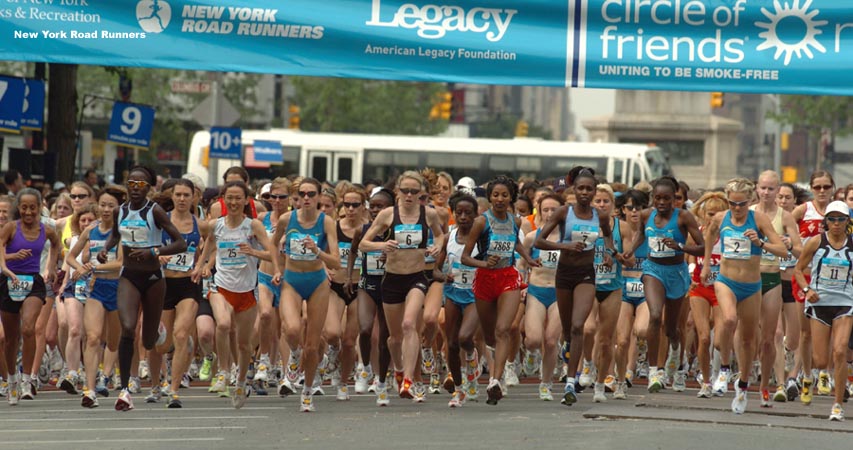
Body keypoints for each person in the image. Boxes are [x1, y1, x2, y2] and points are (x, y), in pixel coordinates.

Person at [98, 165, 187, 412]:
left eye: (140, 185)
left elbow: (179, 243)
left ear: (148, 188)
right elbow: (115, 236)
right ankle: (125, 389)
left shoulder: (155, 211)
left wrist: (154, 251)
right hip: (129, 276)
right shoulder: (120, 210)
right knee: (127, 328)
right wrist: (106, 249)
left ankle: (156, 328)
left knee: (148, 342)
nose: (135, 189)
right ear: (126, 186)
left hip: (153, 278)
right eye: (131, 184)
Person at [701, 178, 788, 414]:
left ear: (750, 201)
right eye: (732, 204)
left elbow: (782, 249)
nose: (737, 209)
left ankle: (743, 385)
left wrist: (760, 242)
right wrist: (707, 264)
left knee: (750, 340)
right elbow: (709, 235)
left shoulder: (757, 219)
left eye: (741, 204)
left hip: (751, 286)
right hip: (726, 281)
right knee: (729, 319)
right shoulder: (721, 218)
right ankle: (725, 369)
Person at [194, 180, 280, 409]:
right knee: (222, 325)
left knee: (244, 346)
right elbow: (208, 247)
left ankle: (241, 381)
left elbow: (272, 255)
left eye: (237, 198)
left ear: (246, 200)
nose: (233, 202)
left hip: (246, 291)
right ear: (223, 200)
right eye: (229, 198)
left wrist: (254, 252)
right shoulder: (216, 225)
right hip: (221, 286)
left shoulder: (253, 226)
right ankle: (223, 371)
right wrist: (200, 266)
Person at [359, 172, 444, 403]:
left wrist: (436, 247)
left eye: (414, 192)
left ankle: (409, 380)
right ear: (397, 192)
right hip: (392, 280)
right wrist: (382, 245)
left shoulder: (429, 214)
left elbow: (440, 236)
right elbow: (364, 243)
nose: (409, 195)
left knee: (409, 324)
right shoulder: (388, 215)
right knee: (394, 338)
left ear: (421, 194)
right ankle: (398, 368)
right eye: (405, 191)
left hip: (416, 277)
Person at [534, 167, 614, 405]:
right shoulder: (563, 212)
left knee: (579, 326)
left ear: (594, 191)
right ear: (574, 190)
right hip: (564, 274)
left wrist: (609, 252)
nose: (585, 193)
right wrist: (565, 246)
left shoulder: (599, 216)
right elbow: (539, 240)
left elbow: (608, 235)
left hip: (586, 275)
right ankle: (566, 348)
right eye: (581, 188)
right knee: (569, 331)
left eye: (590, 189)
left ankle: (570, 382)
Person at [623, 176, 704, 394]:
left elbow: (702, 248)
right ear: (652, 198)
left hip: (676, 273)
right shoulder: (646, 215)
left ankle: (676, 356)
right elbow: (641, 235)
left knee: (673, 328)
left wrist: (679, 246)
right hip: (653, 270)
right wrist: (630, 250)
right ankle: (654, 372)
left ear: (674, 200)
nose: (661, 203)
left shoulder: (684, 217)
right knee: (656, 316)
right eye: (657, 198)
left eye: (667, 199)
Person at [463, 175, 538, 405]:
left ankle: (495, 380)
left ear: (511, 197)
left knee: (504, 328)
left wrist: (527, 258)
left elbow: (515, 242)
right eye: (495, 194)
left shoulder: (516, 222)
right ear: (490, 197)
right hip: (485, 279)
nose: (499, 199)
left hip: (508, 277)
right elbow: (465, 257)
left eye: (504, 195)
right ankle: (490, 364)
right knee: (489, 336)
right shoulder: (481, 222)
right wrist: (484, 263)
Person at [270, 178, 340, 412]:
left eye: (312, 193)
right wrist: (278, 269)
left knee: (312, 345)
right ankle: (293, 356)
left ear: (320, 197)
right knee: (290, 329)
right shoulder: (286, 219)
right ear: (296, 197)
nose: (307, 198)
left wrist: (317, 250)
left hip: (317, 282)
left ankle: (307, 391)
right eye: (302, 194)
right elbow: (272, 245)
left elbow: (337, 262)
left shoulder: (326, 222)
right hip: (292, 280)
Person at [64, 187, 125, 407]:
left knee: (114, 340)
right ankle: (89, 390)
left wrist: (93, 267)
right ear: (97, 205)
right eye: (103, 204)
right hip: (96, 289)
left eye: (111, 205)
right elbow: (71, 257)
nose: (106, 209)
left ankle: (106, 375)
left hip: (118, 288)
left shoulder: (122, 232)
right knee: (92, 337)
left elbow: (120, 263)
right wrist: (80, 267)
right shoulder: (91, 230)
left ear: (118, 208)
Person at [794, 200, 853, 421]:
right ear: (825, 221)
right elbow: (798, 270)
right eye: (832, 219)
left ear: (848, 221)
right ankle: (813, 375)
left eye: (841, 219)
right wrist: (807, 290)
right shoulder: (815, 242)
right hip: (819, 302)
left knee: (839, 351)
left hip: (845, 302)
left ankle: (837, 405)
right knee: (820, 359)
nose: (836, 223)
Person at [0, 188, 60, 404]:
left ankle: (27, 379)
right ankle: (12, 381)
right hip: (9, 282)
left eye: (32, 208)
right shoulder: (10, 228)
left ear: (39, 208)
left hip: (33, 282)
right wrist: (6, 265)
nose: (28, 212)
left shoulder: (47, 230)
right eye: (24, 207)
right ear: (19, 208)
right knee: (10, 338)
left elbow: (57, 244)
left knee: (29, 329)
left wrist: (52, 267)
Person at [750, 171, 802, 406]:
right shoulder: (748, 212)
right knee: (770, 335)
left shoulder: (786, 217)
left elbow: (801, 252)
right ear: (757, 188)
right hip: (753, 277)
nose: (767, 193)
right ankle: (778, 383)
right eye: (763, 188)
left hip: (782, 278)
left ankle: (787, 369)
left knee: (790, 339)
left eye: (772, 189)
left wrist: (790, 245)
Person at [790, 170, 834, 404]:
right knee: (805, 333)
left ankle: (824, 372)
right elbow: (786, 228)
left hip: (832, 280)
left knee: (831, 330)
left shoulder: (839, 212)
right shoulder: (803, 210)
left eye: (826, 187)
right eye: (817, 187)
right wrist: (792, 244)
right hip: (805, 276)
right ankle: (807, 377)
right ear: (811, 188)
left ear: (832, 188)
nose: (822, 191)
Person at [347, 188, 394, 403]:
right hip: (367, 284)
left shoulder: (397, 231)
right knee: (365, 329)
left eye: (380, 206)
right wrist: (349, 277)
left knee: (384, 337)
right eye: (372, 206)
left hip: (390, 287)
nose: (375, 210)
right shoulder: (363, 230)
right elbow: (354, 251)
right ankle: (364, 367)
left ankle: (382, 381)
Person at [434, 191, 481, 407]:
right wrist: (444, 275)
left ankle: (472, 358)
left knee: (464, 338)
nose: (463, 217)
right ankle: (459, 390)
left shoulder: (482, 239)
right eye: (459, 212)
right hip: (453, 292)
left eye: (468, 213)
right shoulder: (448, 238)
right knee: (451, 344)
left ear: (475, 215)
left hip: (474, 295)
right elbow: (435, 270)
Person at [324, 186, 368, 400]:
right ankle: (333, 349)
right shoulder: (333, 227)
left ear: (363, 207)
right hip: (336, 286)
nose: (350, 209)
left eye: (355, 205)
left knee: (350, 341)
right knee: (332, 332)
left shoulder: (369, 229)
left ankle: (343, 382)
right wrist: (324, 267)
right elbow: (319, 250)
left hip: (360, 289)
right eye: (346, 205)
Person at [521, 193, 564, 401]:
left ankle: (546, 384)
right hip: (536, 290)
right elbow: (521, 263)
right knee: (534, 339)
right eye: (545, 210)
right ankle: (530, 352)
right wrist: (522, 283)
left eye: (553, 210)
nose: (549, 214)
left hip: (559, 293)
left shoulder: (568, 238)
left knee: (550, 340)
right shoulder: (532, 237)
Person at [687, 192, 727, 399]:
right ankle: (705, 380)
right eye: (710, 213)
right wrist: (691, 270)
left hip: (722, 290)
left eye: (719, 214)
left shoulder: (729, 235)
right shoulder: (698, 232)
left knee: (719, 340)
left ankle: (720, 372)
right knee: (703, 337)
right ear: (704, 214)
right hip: (700, 288)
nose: (714, 218)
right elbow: (689, 257)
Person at [613, 189, 650, 398]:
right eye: (630, 208)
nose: (635, 212)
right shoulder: (618, 230)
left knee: (641, 330)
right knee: (623, 339)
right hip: (623, 285)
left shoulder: (651, 230)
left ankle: (639, 354)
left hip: (645, 286)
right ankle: (623, 376)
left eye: (639, 207)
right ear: (622, 210)